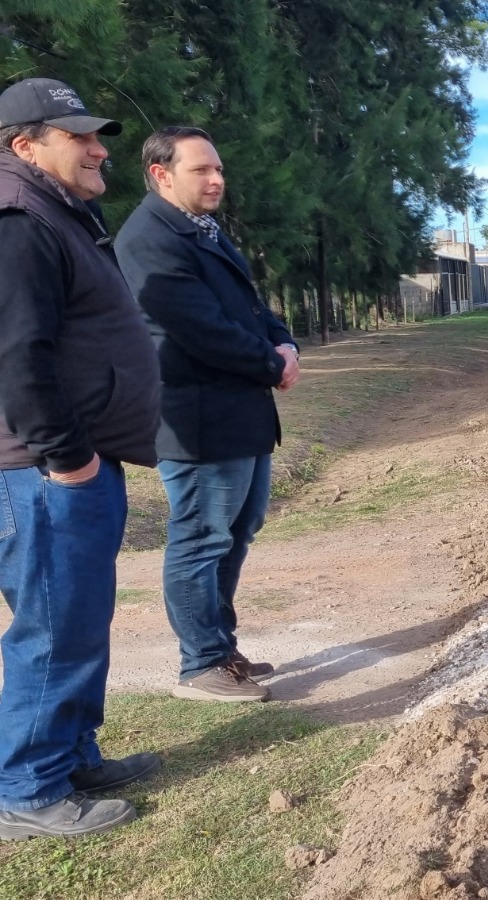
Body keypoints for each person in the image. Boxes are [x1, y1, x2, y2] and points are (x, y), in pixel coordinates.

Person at [0, 77, 163, 840]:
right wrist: (68, 461)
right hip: (43, 473)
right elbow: (17, 356)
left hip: (74, 463)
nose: (99, 148)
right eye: (79, 137)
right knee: (54, 626)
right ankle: (30, 789)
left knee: (82, 619)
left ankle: (70, 756)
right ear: (24, 145)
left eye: (97, 134)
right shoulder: (18, 222)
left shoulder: (59, 212)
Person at [116, 126, 299, 703]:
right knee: (200, 538)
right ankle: (200, 665)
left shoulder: (203, 229)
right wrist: (271, 364)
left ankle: (220, 648)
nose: (217, 179)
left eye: (218, 168)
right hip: (197, 421)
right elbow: (197, 328)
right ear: (160, 174)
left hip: (239, 414)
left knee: (237, 532)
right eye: (202, 170)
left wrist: (284, 342)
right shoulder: (148, 238)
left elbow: (250, 305)